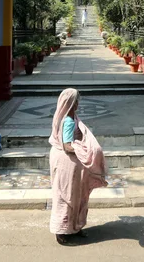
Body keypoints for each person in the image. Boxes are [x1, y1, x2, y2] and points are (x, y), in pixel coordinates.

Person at [49, 88, 107, 245]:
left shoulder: (69, 117)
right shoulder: (67, 121)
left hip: (67, 163)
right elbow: (67, 146)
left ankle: (74, 228)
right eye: (75, 101)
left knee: (76, 197)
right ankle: (62, 232)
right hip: (65, 164)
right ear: (70, 103)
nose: (77, 104)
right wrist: (84, 149)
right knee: (66, 197)